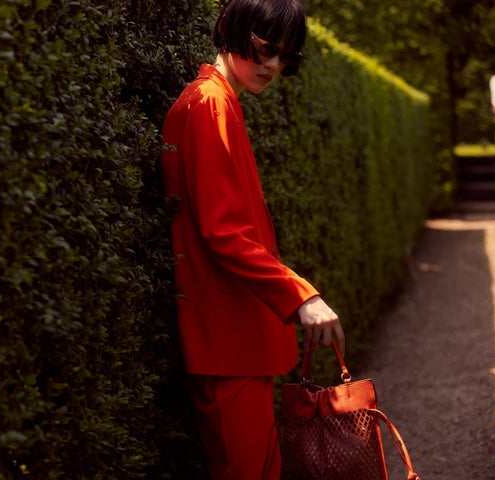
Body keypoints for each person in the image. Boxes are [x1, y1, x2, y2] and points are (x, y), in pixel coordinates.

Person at [159, 0, 346, 478]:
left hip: (238, 340)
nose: (273, 66)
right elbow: (223, 232)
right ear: (229, 30)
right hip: (229, 342)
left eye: (287, 57)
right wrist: (300, 295)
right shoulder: (209, 104)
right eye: (265, 49)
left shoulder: (219, 101)